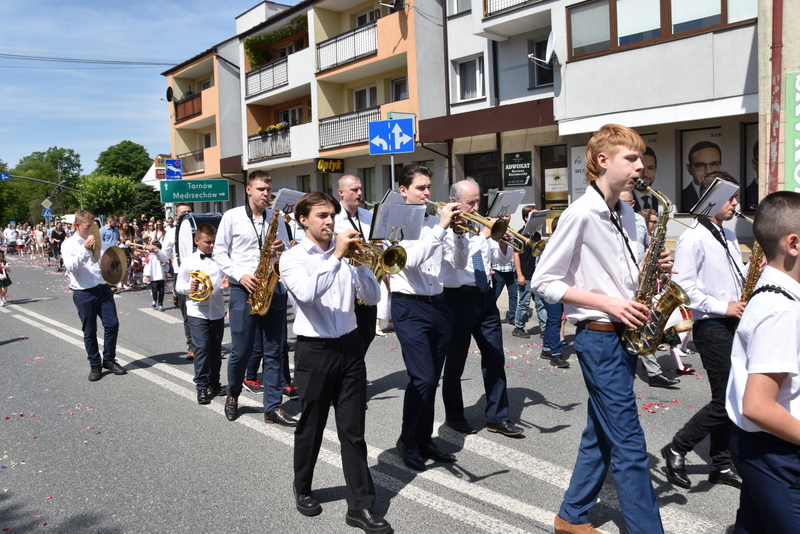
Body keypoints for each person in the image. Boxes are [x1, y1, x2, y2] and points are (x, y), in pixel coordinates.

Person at [531, 124, 666, 534]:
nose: (640, 166)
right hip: (598, 337)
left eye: (641, 159)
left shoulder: (630, 215)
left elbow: (623, 277)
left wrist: (651, 269)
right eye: (631, 158)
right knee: (630, 445)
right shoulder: (580, 213)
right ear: (603, 161)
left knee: (602, 433)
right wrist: (606, 302)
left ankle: (571, 515)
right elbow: (544, 281)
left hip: (625, 335)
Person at [280, 192, 391, 534]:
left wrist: (362, 266)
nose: (329, 221)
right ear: (303, 220)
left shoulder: (346, 256)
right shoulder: (292, 258)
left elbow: (371, 298)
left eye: (332, 215)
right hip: (314, 351)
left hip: (350, 348)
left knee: (353, 431)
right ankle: (303, 487)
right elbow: (306, 293)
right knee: (311, 426)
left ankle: (360, 506)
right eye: (322, 215)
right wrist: (337, 257)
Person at [661, 170, 745, 490]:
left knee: (733, 397)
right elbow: (683, 290)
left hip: (733, 324)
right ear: (712, 199)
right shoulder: (693, 237)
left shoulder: (730, 235)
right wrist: (725, 307)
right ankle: (677, 447)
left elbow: (733, 279)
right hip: (711, 326)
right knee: (725, 400)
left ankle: (721, 464)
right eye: (730, 198)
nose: (735, 204)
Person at [726, 191, 800, 532]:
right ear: (793, 244)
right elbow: (758, 405)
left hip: (763, 447)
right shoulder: (781, 309)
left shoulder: (777, 295)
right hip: (775, 452)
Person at [392, 164, 462, 471]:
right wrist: (442, 227)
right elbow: (410, 260)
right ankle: (407, 440)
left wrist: (458, 234)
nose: (427, 193)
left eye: (428, 187)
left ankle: (424, 439)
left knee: (432, 379)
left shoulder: (436, 222)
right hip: (409, 307)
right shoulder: (395, 223)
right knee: (423, 377)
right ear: (404, 190)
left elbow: (458, 263)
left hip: (439, 305)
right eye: (420, 188)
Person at [441, 178, 523, 437]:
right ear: (454, 202)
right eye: (471, 202)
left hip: (484, 295)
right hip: (457, 298)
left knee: (495, 357)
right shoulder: (445, 229)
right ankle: (454, 415)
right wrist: (484, 236)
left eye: (478, 201)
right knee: (456, 361)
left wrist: (502, 240)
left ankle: (498, 417)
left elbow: (498, 258)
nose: (477, 207)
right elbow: (458, 260)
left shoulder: (480, 225)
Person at [213, 170, 294, 426]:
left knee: (274, 351)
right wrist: (240, 275)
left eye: (268, 190)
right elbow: (219, 253)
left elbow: (287, 252)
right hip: (243, 288)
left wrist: (282, 248)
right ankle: (233, 396)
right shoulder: (232, 216)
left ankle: (272, 407)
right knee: (241, 350)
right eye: (261, 189)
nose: (265, 194)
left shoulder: (276, 217)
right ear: (248, 190)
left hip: (272, 287)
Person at [62, 211, 150, 382]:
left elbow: (108, 263)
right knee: (90, 331)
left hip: (103, 289)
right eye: (88, 226)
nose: (92, 229)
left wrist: (118, 268)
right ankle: (95, 364)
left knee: (112, 324)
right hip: (83, 292)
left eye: (94, 226)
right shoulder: (69, 244)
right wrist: (85, 249)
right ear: (78, 226)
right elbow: (71, 267)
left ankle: (109, 359)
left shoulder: (99, 242)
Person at [622, 192, 680, 389]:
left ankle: (654, 370)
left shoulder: (638, 222)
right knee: (639, 328)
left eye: (626, 201)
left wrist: (659, 268)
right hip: (626, 286)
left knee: (647, 327)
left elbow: (646, 249)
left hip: (644, 282)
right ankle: (651, 371)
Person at [175, 223, 227, 405]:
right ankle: (201, 386)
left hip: (217, 310)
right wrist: (190, 287)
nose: (211, 246)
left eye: (214, 242)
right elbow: (178, 286)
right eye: (207, 242)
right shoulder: (189, 261)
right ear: (196, 241)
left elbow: (224, 282)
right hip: (197, 311)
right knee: (202, 348)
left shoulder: (221, 259)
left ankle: (214, 382)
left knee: (215, 349)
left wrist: (225, 285)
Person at [334, 174, 378, 355]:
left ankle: (355, 366)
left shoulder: (368, 216)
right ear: (341, 192)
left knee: (367, 333)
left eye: (360, 189)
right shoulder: (334, 218)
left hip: (366, 279)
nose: (360, 193)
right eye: (354, 190)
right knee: (346, 336)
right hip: (344, 283)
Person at [162, 203, 194, 359]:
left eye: (189, 211)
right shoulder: (171, 232)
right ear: (176, 216)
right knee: (188, 313)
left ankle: (210, 347)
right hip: (181, 275)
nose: (187, 214)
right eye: (183, 212)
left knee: (207, 313)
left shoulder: (197, 228)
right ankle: (192, 346)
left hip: (200, 273)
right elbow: (164, 255)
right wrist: (156, 252)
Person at [682, 140, 722, 212]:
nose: (708, 171)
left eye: (714, 164)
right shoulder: (681, 198)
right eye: (700, 165)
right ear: (689, 169)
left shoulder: (727, 195)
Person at [143, 240, 169, 311]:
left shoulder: (161, 255)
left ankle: (160, 304)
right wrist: (147, 275)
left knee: (161, 291)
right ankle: (154, 300)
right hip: (153, 277)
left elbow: (165, 264)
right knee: (154, 290)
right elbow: (148, 266)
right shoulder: (150, 257)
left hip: (161, 276)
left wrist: (166, 273)